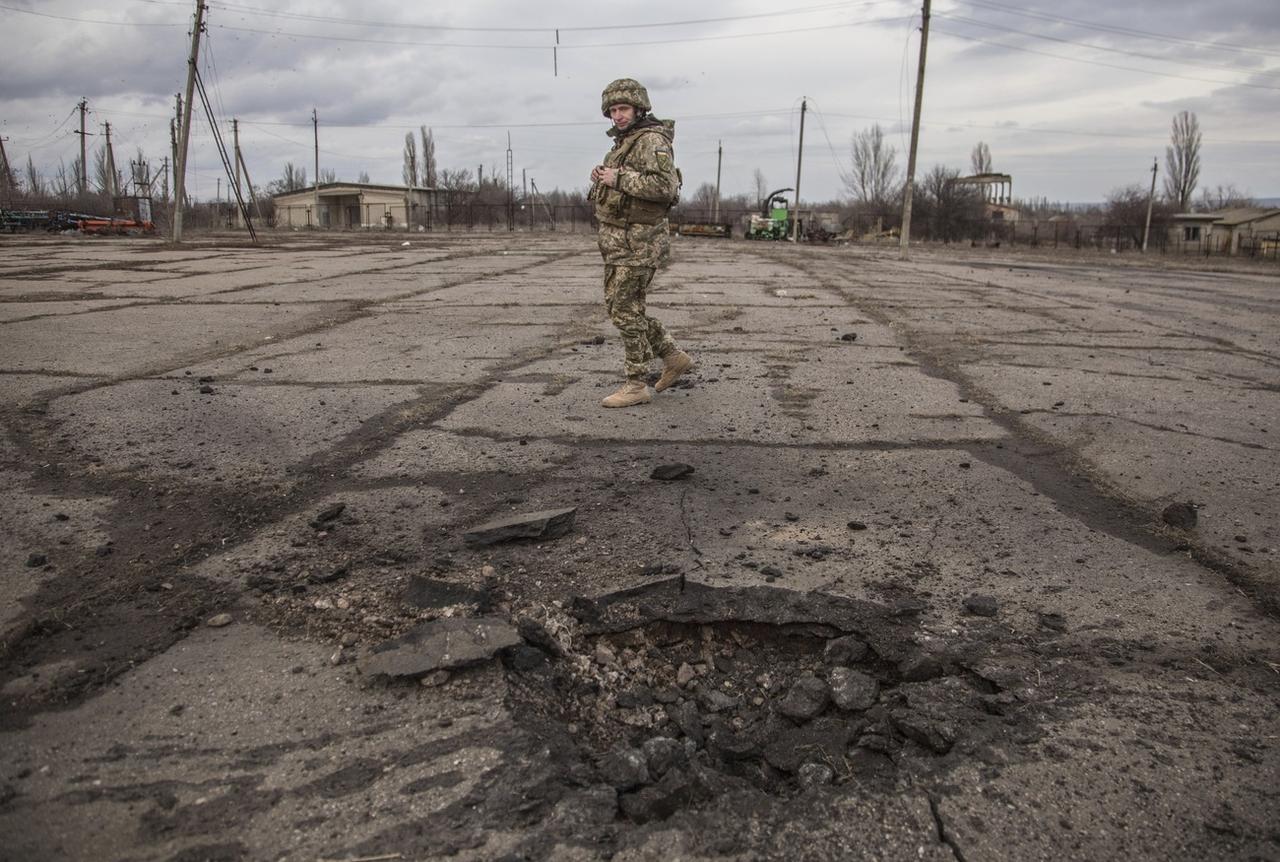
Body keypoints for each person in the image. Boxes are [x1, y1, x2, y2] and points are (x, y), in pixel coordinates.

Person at [589, 78, 694, 408]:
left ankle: (636, 383)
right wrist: (602, 177)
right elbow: (622, 185)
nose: (617, 116)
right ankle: (672, 357)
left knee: (624, 310)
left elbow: (665, 186)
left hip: (640, 242)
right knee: (624, 309)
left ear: (639, 108)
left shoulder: (651, 139)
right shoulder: (625, 142)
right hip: (619, 242)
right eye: (613, 111)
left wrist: (617, 178)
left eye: (623, 109)